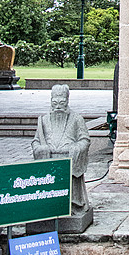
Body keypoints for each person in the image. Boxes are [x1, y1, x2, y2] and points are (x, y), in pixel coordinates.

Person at [32, 84, 91, 214]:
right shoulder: (44, 120)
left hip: (70, 159)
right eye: (55, 103)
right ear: (51, 101)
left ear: (67, 101)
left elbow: (85, 139)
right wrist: (41, 149)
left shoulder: (76, 119)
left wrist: (76, 148)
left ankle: (74, 205)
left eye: (62, 103)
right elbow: (36, 141)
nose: (58, 106)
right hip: (49, 159)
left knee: (70, 188)